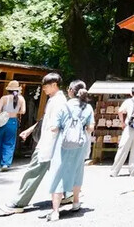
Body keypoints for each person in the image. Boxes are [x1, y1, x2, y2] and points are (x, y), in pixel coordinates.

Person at [0, 73, 68, 215]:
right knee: (58, 172)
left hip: (49, 143)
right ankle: (69, 194)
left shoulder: (58, 102)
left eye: (46, 86)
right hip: (52, 143)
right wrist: (30, 130)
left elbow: (54, 124)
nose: (44, 89)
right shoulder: (55, 100)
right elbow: (44, 120)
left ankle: (19, 202)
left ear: (54, 84)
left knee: (33, 171)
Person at [47, 80, 94, 222]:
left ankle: (55, 211)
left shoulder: (64, 106)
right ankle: (76, 202)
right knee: (77, 170)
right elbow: (90, 127)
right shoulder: (88, 107)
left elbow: (54, 128)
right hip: (80, 143)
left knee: (58, 173)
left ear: (70, 91)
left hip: (64, 143)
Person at [0, 80, 27, 172]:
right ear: (17, 89)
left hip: (3, 120)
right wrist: (14, 112)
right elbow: (23, 111)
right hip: (13, 121)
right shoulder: (21, 99)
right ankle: (5, 163)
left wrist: (6, 112)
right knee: (9, 143)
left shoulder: (4, 98)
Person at [110, 86, 134, 177]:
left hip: (129, 128)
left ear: (131, 93)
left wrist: (122, 123)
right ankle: (133, 171)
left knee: (123, 149)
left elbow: (120, 111)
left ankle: (115, 171)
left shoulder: (128, 101)